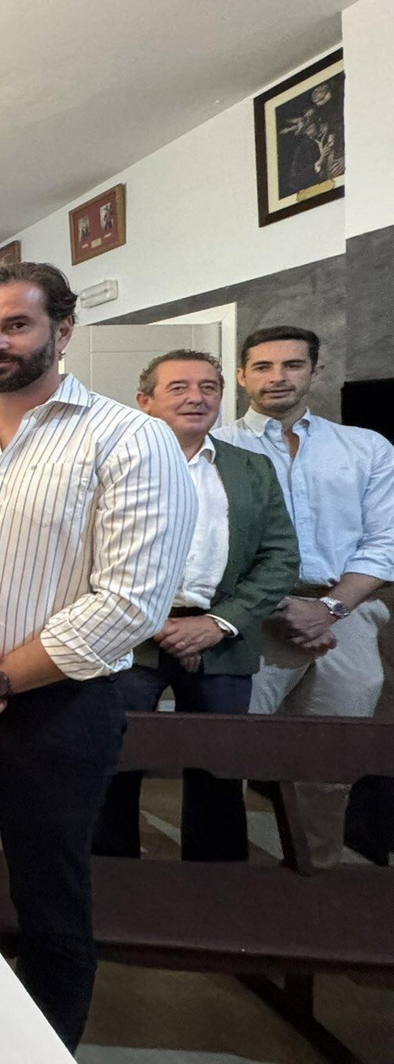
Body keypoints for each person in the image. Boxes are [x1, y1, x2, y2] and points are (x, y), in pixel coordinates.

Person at [0, 261, 196, 1051]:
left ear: (63, 329)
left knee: (50, 898)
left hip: (56, 707)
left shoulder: (130, 438)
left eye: (16, 325)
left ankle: (42, 1045)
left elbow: (128, 602)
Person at [94, 350, 298, 862]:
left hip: (221, 637)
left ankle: (216, 886)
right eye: (179, 387)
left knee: (219, 769)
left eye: (209, 387)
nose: (197, 397)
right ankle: (111, 877)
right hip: (127, 636)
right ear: (145, 401)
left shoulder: (251, 468)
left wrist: (219, 622)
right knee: (113, 762)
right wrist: (149, 618)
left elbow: (280, 557)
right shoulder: (112, 463)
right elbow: (80, 549)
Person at [212, 325, 394, 868]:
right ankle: (224, 878)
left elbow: (385, 540)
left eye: (292, 365)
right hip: (247, 615)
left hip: (346, 615)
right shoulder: (217, 448)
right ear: (241, 376)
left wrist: (330, 608)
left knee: (331, 759)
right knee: (228, 756)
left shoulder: (365, 448)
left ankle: (317, 872)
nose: (277, 378)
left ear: (315, 371)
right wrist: (269, 602)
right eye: (263, 367)